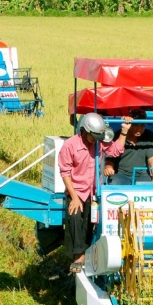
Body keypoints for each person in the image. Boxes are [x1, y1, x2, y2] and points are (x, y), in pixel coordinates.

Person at [58, 113, 126, 272]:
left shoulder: (99, 142)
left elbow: (115, 151)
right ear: (84, 130)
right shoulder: (70, 145)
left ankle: (90, 253)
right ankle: (78, 256)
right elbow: (65, 172)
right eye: (92, 136)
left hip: (94, 191)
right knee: (75, 217)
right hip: (76, 191)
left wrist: (124, 132)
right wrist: (74, 197)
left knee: (91, 223)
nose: (95, 139)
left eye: (98, 136)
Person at [104, 109, 153, 186]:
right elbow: (110, 157)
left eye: (142, 125)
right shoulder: (118, 134)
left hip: (142, 174)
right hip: (121, 174)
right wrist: (108, 167)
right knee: (114, 186)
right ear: (130, 124)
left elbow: (152, 157)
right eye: (135, 125)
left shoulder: (148, 135)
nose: (139, 129)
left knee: (149, 188)